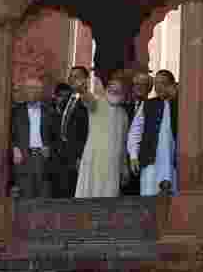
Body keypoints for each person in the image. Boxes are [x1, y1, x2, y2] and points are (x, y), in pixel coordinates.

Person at [75, 73, 131, 198]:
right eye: (111, 87)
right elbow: (87, 99)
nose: (115, 90)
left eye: (118, 88)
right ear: (106, 89)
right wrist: (83, 90)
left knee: (108, 200)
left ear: (123, 92)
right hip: (94, 161)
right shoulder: (97, 103)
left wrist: (124, 169)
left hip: (113, 165)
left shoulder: (124, 115)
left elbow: (123, 144)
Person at [128, 70, 178, 196]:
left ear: (171, 85)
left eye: (163, 83)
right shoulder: (147, 105)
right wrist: (133, 156)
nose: (158, 87)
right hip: (150, 162)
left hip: (173, 164)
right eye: (156, 84)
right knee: (148, 197)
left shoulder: (181, 104)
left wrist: (176, 96)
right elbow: (135, 131)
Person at [11, 78, 60, 199]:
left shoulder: (50, 111)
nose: (32, 91)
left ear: (41, 92)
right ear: (24, 91)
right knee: (24, 196)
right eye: (29, 88)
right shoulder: (15, 111)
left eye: (36, 88)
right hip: (22, 157)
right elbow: (9, 134)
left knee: (43, 195)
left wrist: (50, 148)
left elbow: (57, 136)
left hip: (43, 157)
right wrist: (14, 148)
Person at [57, 67, 91, 197]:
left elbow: (87, 131)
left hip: (77, 156)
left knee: (74, 193)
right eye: (71, 76)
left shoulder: (88, 101)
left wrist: (80, 156)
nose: (72, 79)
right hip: (61, 155)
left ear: (85, 80)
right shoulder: (66, 100)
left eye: (77, 76)